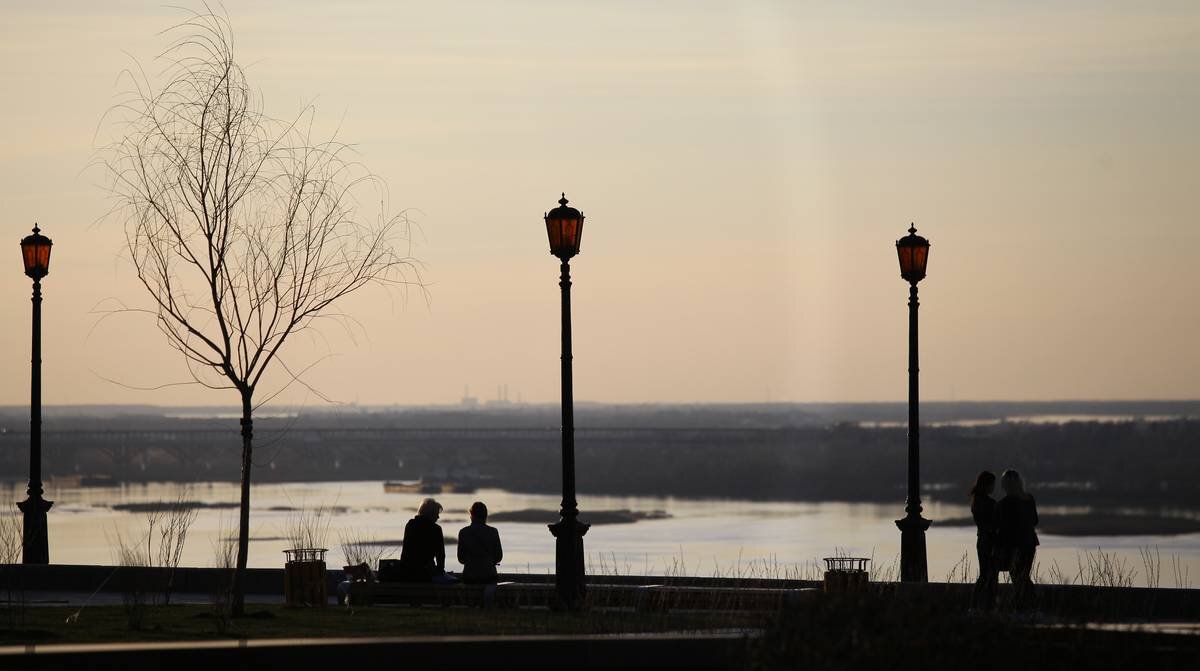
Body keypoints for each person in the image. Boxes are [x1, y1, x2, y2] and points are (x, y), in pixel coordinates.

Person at [996, 469, 1039, 604]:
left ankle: (1026, 605)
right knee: (1024, 576)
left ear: (1005, 485)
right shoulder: (1029, 499)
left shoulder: (1004, 503)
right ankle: (1029, 604)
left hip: (1015, 545)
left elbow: (1001, 526)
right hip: (1030, 543)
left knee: (1018, 577)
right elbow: (1035, 520)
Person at [398, 498, 456, 583]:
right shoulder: (436, 529)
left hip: (406, 572)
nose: (438, 517)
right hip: (424, 574)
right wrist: (440, 571)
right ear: (431, 514)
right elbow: (440, 555)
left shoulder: (410, 525)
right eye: (436, 514)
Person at [969, 470, 999, 609]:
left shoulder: (976, 501)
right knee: (991, 575)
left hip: (981, 541)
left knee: (984, 574)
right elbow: (994, 523)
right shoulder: (990, 503)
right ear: (987, 485)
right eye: (992, 485)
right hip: (990, 542)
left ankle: (976, 604)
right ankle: (989, 604)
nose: (993, 487)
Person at [457, 501, 504, 584]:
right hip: (489, 577)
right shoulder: (493, 532)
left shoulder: (463, 532)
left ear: (472, 515)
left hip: (470, 577)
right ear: (485, 516)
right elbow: (499, 557)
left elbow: (461, 558)